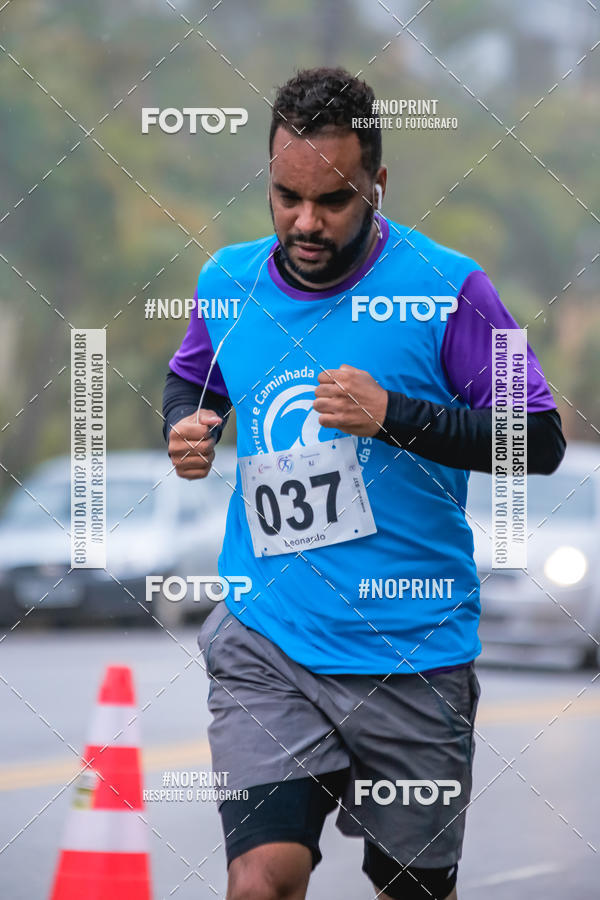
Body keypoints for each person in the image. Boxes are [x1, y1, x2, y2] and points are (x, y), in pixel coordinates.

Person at [162, 67, 565, 900]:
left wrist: (398, 416)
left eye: (333, 202)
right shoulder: (226, 286)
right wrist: (192, 426)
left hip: (413, 656)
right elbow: (193, 380)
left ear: (377, 185)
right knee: (259, 881)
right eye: (285, 197)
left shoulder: (451, 291)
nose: (305, 222)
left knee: (412, 891)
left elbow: (544, 438)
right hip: (269, 642)